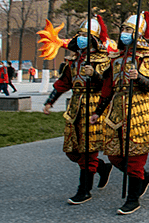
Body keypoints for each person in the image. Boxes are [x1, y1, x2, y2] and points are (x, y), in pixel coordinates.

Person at [91, 14, 149, 215]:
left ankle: (133, 198)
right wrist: (98, 112)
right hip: (116, 112)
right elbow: (107, 89)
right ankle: (142, 177)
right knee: (114, 155)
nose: (124, 33)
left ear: (137, 33)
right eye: (123, 29)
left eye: (128, 30)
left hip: (139, 110)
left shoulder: (148, 57)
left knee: (135, 158)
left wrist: (138, 77)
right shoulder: (116, 60)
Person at [42, 17, 113, 205]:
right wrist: (50, 101)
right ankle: (101, 168)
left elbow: (107, 85)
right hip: (75, 106)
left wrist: (95, 75)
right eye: (79, 35)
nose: (81, 38)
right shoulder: (73, 61)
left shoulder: (104, 59)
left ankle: (84, 190)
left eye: (85, 35)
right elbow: (63, 83)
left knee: (88, 150)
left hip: (94, 106)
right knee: (72, 150)